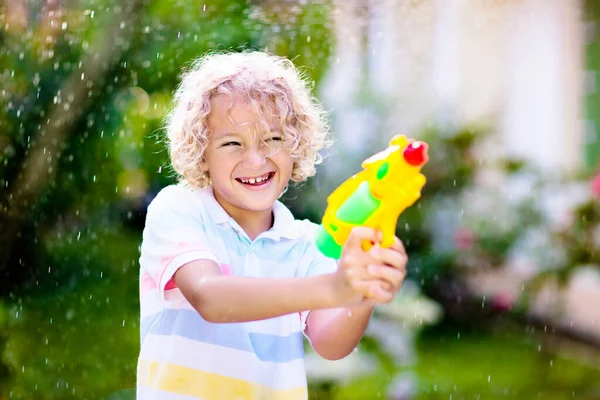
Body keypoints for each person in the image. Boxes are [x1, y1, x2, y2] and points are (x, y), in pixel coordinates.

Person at [136, 51, 408, 400]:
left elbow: (330, 343)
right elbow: (210, 297)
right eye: (232, 143)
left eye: (273, 140)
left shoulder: (309, 242)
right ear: (201, 152)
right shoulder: (179, 209)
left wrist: (362, 292)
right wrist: (336, 288)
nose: (255, 159)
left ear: (296, 145)